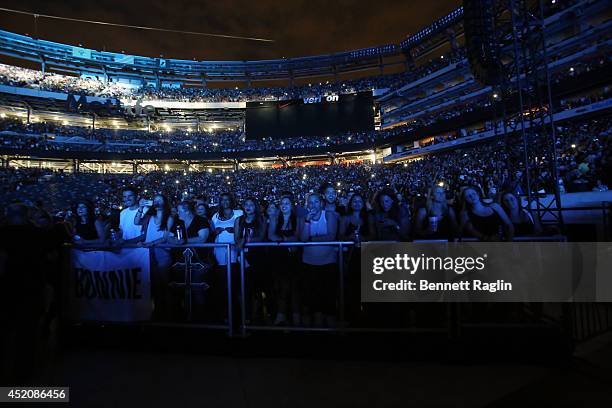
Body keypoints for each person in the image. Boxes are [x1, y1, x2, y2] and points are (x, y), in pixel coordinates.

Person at [297, 192, 339, 327]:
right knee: (312, 296)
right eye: (310, 202)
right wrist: (308, 221)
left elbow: (331, 236)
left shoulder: (329, 215)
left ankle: (331, 324)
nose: (313, 205)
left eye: (316, 202)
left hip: (328, 263)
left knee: (329, 295)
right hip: (309, 263)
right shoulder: (304, 218)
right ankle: (317, 326)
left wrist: (312, 239)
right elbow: (303, 239)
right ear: (307, 204)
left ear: (321, 203)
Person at [134, 194, 175, 319]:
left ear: (164, 202)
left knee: (166, 283)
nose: (156, 202)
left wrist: (149, 243)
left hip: (162, 252)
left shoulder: (169, 217)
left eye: (159, 200)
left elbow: (165, 237)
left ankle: (170, 313)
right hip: (149, 252)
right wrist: (140, 208)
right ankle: (157, 311)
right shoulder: (149, 216)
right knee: (155, 284)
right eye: (155, 200)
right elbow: (136, 222)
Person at [268, 197, 299, 326]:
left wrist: (283, 240)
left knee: (295, 287)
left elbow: (298, 236)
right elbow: (271, 235)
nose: (284, 205)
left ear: (292, 205)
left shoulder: (297, 219)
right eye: (282, 203)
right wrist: (287, 240)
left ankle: (295, 316)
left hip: (294, 257)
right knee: (281, 287)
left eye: (287, 203)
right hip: (279, 257)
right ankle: (281, 315)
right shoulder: (275, 218)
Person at [234, 197, 267, 322]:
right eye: (246, 204)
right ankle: (244, 315)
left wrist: (245, 240)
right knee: (242, 288)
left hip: (257, 257)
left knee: (256, 288)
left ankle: (255, 316)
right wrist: (241, 242)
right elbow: (236, 238)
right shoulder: (239, 220)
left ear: (256, 207)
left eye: (251, 205)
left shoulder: (261, 219)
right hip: (242, 257)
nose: (248, 207)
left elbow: (261, 237)